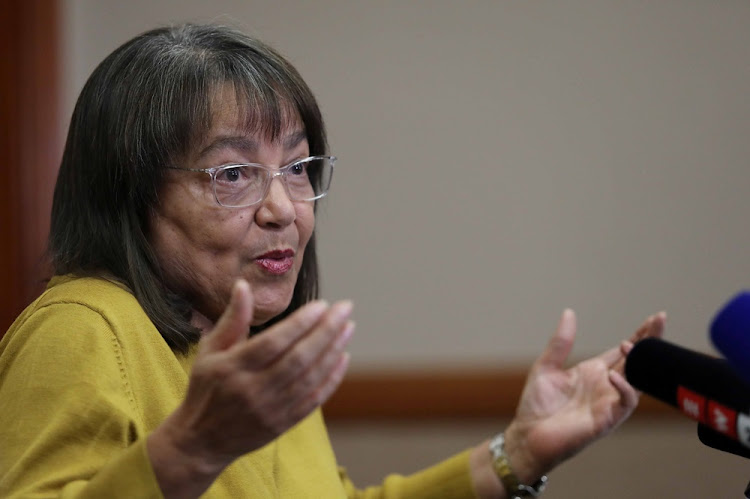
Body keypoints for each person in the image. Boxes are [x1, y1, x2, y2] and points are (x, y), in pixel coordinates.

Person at [0, 23, 665, 498]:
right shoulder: (82, 328)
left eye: (296, 166)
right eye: (233, 173)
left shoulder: (249, 344)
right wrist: (190, 450)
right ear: (130, 192)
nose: (284, 207)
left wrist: (516, 454)